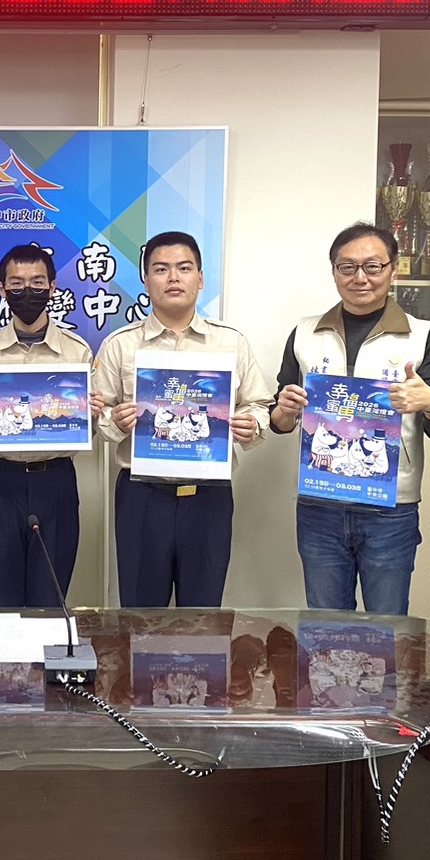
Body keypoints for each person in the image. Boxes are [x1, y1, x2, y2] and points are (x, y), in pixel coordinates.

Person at [269, 223, 430, 615]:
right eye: (347, 267)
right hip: (320, 502)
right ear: (334, 271)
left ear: (393, 270)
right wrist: (284, 410)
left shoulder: (421, 336)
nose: (360, 278)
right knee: (325, 625)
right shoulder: (305, 333)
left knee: (386, 626)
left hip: (389, 508)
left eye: (373, 267)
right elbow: (280, 421)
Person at [92, 231, 274, 607]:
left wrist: (252, 424)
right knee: (140, 616)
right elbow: (97, 417)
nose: (173, 278)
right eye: (161, 269)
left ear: (200, 279)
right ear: (146, 281)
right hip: (142, 496)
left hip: (208, 496)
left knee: (203, 616)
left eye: (184, 268)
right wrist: (116, 421)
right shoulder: (120, 344)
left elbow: (259, 405)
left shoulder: (231, 342)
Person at [0, 244, 102, 607]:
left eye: (38, 282)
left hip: (55, 483)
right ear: (2, 289)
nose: (28, 291)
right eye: (17, 283)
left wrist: (94, 414)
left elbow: (88, 430)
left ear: (52, 287)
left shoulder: (77, 352)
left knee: (49, 604)